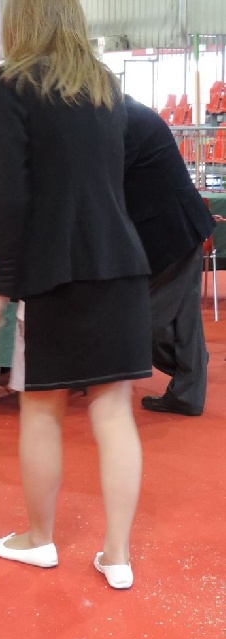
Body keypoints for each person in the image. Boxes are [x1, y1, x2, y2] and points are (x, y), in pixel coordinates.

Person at [0, 0, 152, 589]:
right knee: (113, 409)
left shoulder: (11, 83)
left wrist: (1, 285)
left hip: (56, 270)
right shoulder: (102, 82)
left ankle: (38, 538)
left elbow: (13, 192)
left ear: (21, 20)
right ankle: (118, 555)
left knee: (42, 408)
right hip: (120, 262)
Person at [123, 95, 216, 416]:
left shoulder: (122, 120)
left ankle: (188, 372)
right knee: (183, 317)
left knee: (139, 323)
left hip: (170, 232)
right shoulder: (129, 113)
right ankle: (188, 387)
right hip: (178, 227)